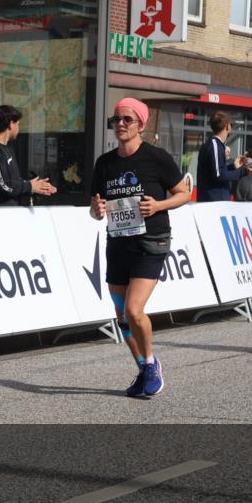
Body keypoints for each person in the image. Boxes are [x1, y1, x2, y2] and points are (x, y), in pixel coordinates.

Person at [90, 98, 191, 398]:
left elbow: (184, 194)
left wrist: (158, 205)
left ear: (141, 125)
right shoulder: (105, 163)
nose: (120, 125)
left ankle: (151, 364)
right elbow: (96, 209)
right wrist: (96, 210)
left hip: (151, 242)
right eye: (116, 120)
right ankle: (144, 367)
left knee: (134, 310)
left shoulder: (156, 158)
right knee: (121, 317)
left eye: (127, 120)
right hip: (118, 244)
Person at [0, 105, 57, 205]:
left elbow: (13, 182)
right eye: (18, 124)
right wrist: (30, 186)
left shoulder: (8, 148)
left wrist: (36, 186)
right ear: (11, 124)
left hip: (12, 212)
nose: (19, 128)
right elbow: (3, 185)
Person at [196, 111, 252, 202]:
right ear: (227, 126)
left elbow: (216, 171)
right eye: (231, 124)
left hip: (214, 202)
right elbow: (219, 175)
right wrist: (244, 171)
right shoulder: (215, 145)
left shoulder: (214, 145)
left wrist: (233, 166)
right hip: (214, 203)